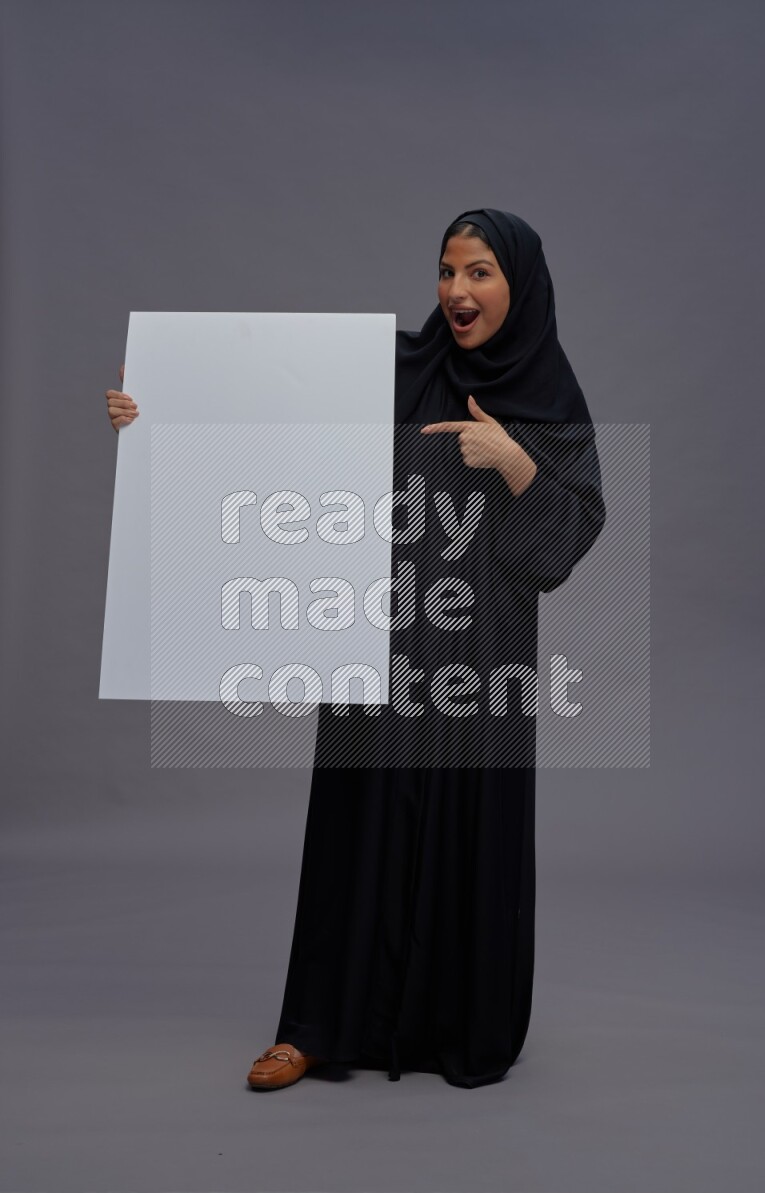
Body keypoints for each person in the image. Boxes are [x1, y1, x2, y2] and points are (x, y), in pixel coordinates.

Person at [105, 207, 606, 1090]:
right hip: (368, 637)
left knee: (468, 832)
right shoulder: (393, 372)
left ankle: (462, 1025)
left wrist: (514, 461)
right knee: (354, 832)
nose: (456, 291)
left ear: (519, 284)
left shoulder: (550, 399)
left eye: (480, 272)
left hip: (481, 660)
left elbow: (562, 546)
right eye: (447, 270)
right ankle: (316, 1027)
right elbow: (270, 434)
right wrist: (154, 414)